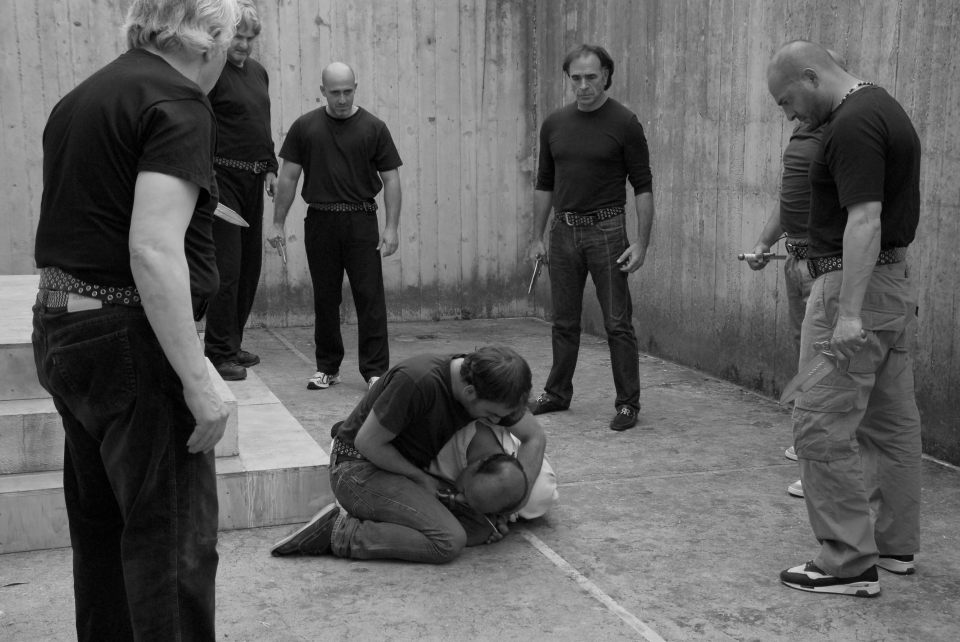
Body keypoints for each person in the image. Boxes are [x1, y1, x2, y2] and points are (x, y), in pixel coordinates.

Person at [31, 0, 238, 639]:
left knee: (102, 534)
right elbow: (152, 248)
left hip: (64, 325)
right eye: (232, 42)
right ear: (209, 38)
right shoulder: (177, 102)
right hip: (128, 337)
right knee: (169, 545)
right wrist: (198, 379)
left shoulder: (82, 98)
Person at [767, 40, 922, 597]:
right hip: (891, 285)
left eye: (787, 101)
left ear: (811, 77)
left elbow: (865, 218)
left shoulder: (852, 123)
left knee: (819, 423)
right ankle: (893, 545)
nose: (789, 114)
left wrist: (848, 313)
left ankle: (848, 562)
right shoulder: (884, 106)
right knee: (890, 423)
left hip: (851, 290)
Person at [270, 346, 547, 562]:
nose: (497, 422)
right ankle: (339, 533)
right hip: (356, 469)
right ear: (470, 392)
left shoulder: (490, 385)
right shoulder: (417, 381)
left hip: (396, 471)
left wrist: (511, 504)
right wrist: (421, 479)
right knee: (448, 541)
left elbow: (534, 435)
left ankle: (397, 519)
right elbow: (367, 444)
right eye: (491, 415)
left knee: (482, 527)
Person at [527, 43, 655, 432]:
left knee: (617, 322)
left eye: (591, 77)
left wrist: (642, 243)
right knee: (563, 321)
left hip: (608, 232)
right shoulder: (554, 124)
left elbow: (643, 185)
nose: (583, 85)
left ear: (606, 76)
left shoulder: (625, 123)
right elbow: (544, 183)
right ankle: (557, 393)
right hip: (563, 231)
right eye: (576, 78)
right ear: (568, 78)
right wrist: (536, 237)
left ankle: (628, 404)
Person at [748, 51, 847, 499]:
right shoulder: (804, 129)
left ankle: (823, 466)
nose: (788, 112)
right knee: (808, 363)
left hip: (828, 265)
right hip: (797, 261)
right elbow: (789, 196)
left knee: (828, 367)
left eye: (789, 101)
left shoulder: (839, 128)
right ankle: (811, 443)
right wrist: (765, 241)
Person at [268, 62, 402, 390]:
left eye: (347, 91)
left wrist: (391, 227)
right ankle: (327, 367)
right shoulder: (305, 127)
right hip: (321, 221)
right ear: (322, 91)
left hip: (361, 220)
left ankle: (375, 372)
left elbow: (391, 179)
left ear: (356, 88)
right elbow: (288, 177)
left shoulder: (374, 127)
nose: (342, 99)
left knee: (370, 298)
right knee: (325, 298)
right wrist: (277, 223)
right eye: (335, 92)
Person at [203, 0, 279, 381]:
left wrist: (271, 165)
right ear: (222, 35)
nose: (244, 45)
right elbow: (199, 125)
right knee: (228, 269)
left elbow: (261, 123)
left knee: (250, 267)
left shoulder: (258, 73)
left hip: (253, 180)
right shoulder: (211, 72)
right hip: (222, 179)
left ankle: (231, 344)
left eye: (250, 38)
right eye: (238, 36)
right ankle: (218, 352)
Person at [428, 420, 558, 520]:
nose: (458, 499)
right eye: (464, 491)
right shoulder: (443, 443)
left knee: (535, 500)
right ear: (478, 463)